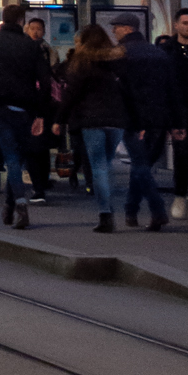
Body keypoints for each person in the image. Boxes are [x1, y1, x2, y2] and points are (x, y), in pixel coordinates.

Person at [0, 5, 50, 228]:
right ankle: (11, 204)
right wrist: (42, 113)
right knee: (19, 156)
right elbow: (45, 81)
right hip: (25, 106)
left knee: (11, 156)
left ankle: (19, 204)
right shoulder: (32, 46)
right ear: (21, 20)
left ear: (4, 19)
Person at [56, 24, 136, 233]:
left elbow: (71, 94)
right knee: (107, 164)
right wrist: (135, 119)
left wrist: (59, 119)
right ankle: (109, 207)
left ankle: (105, 214)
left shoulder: (81, 62)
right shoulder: (119, 60)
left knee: (98, 166)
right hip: (116, 120)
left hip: (91, 120)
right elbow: (129, 91)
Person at [112, 12, 178, 231]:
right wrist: (177, 121)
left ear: (128, 28)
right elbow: (171, 89)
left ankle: (157, 210)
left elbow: (123, 91)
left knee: (140, 166)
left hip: (134, 118)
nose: (114, 31)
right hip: (159, 117)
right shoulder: (158, 53)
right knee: (142, 165)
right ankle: (131, 210)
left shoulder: (122, 54)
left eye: (117, 27)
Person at [159, 10, 188, 219]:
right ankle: (180, 195)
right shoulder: (167, 50)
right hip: (178, 110)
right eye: (185, 23)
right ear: (176, 25)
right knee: (182, 154)